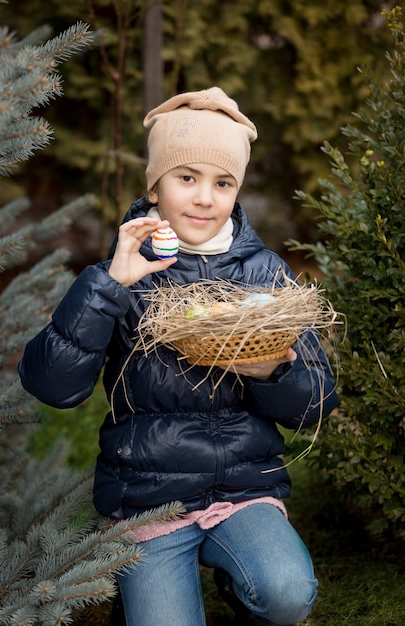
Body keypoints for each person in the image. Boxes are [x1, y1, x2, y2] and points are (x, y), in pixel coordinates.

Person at [19, 87, 339, 626]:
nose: (204, 198)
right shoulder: (125, 271)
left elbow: (318, 399)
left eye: (222, 183)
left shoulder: (263, 273)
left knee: (286, 592)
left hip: (243, 488)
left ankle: (245, 583)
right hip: (151, 497)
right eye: (186, 177)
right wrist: (109, 286)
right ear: (155, 184)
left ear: (236, 192)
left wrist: (273, 370)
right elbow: (53, 385)